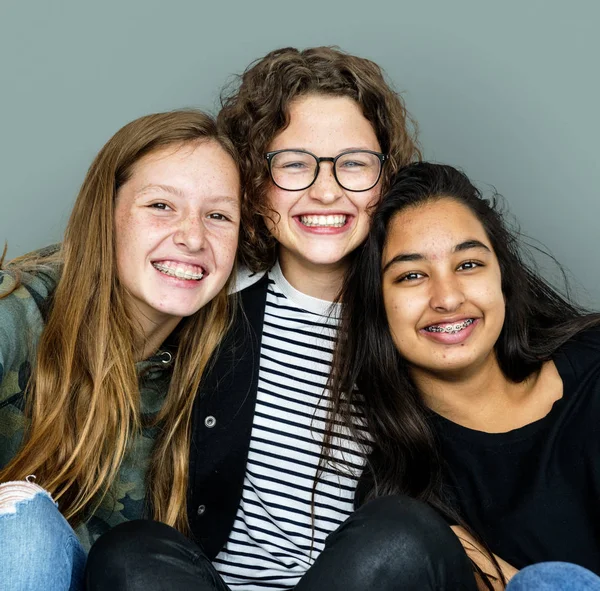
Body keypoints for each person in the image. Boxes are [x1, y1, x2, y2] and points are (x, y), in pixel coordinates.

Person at [84, 47, 483, 591]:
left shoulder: (423, 312)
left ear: (385, 179)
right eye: (294, 163)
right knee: (129, 550)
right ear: (252, 181)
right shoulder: (202, 297)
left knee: (402, 528)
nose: (326, 190)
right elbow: (101, 278)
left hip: (359, 578)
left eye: (354, 163)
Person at [329, 161, 600, 589]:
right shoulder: (405, 493)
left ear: (502, 279)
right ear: (378, 308)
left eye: (469, 264)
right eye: (412, 275)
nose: (448, 298)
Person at [0, 109, 241, 590]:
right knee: (26, 526)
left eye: (218, 216)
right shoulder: (15, 310)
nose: (193, 237)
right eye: (161, 206)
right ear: (104, 214)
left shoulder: (224, 365)